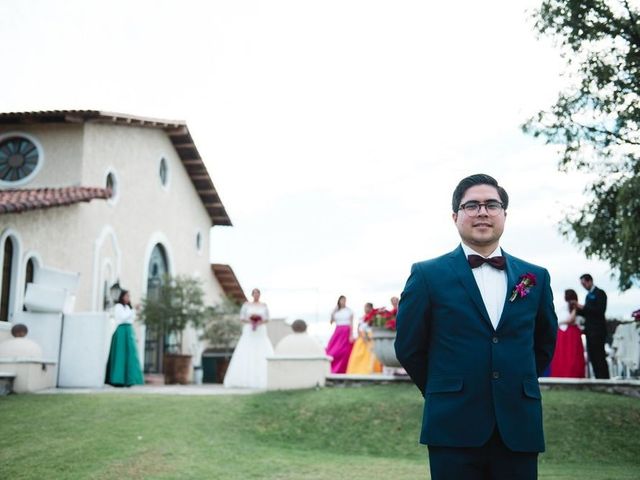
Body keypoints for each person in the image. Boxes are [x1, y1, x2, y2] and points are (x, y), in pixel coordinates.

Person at [395, 173, 557, 480]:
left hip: (518, 426)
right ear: (455, 216)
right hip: (452, 425)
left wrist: (512, 384)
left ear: (504, 215)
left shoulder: (536, 277)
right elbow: (408, 347)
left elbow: (544, 342)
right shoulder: (427, 275)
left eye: (492, 205)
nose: (482, 212)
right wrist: (443, 390)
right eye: (472, 206)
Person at [223, 288, 274, 389]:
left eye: (258, 293)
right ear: (252, 295)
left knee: (262, 349)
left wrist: (259, 322)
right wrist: (251, 321)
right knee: (246, 349)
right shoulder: (246, 305)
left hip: (260, 330)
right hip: (249, 330)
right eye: (254, 293)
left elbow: (268, 318)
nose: (256, 295)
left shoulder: (264, 305)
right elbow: (242, 318)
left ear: (260, 295)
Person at [105, 290, 144, 387]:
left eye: (129, 296)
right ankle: (117, 380)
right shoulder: (118, 307)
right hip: (121, 331)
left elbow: (131, 319)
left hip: (129, 331)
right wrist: (133, 310)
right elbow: (122, 318)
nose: (128, 298)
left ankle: (129, 380)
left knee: (131, 355)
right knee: (120, 355)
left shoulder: (128, 307)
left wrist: (134, 311)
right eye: (127, 296)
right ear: (122, 297)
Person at [575, 273, 610, 379]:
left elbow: (600, 311)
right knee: (593, 357)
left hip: (598, 331)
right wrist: (577, 310)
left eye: (584, 283)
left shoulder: (600, 293)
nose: (583, 286)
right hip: (589, 331)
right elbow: (587, 314)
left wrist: (583, 307)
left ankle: (604, 379)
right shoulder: (587, 296)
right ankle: (597, 378)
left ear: (590, 281)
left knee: (599, 356)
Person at [550, 289, 586, 378]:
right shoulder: (570, 307)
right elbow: (571, 320)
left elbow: (571, 320)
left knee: (567, 355)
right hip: (569, 333)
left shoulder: (572, 307)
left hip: (566, 332)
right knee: (570, 355)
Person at [346, 303, 383, 374]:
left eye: (368, 307)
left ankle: (370, 370)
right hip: (361, 338)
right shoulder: (362, 318)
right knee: (358, 355)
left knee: (371, 355)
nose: (366, 309)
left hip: (371, 337)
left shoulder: (374, 318)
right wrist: (362, 336)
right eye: (365, 307)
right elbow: (358, 328)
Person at [325, 295, 354, 374]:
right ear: (339, 301)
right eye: (342, 300)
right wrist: (333, 313)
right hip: (338, 331)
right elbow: (331, 322)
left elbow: (351, 323)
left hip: (346, 331)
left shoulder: (349, 311)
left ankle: (342, 369)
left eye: (345, 300)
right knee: (332, 349)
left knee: (344, 351)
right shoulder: (336, 311)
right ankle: (332, 368)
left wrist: (351, 335)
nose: (343, 302)